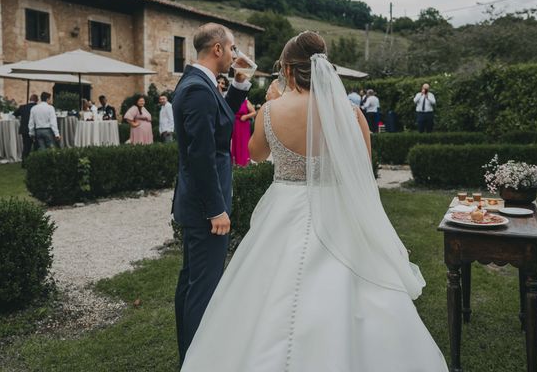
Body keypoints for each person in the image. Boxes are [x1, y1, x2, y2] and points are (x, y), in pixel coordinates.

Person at [180, 32, 447, 371]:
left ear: (288, 71)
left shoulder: (270, 109)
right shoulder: (351, 114)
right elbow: (363, 172)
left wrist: (272, 105)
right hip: (339, 211)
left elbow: (256, 154)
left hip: (284, 208)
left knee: (261, 294)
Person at [171, 23, 251, 364]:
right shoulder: (198, 90)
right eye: (232, 48)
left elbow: (220, 126)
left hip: (200, 204)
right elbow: (200, 156)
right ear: (217, 49)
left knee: (193, 281)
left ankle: (190, 356)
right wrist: (216, 209)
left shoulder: (200, 84)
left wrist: (240, 83)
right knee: (202, 287)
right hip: (206, 207)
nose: (235, 55)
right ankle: (197, 361)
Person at [13, 94, 38, 166]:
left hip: (24, 129)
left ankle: (24, 162)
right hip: (35, 128)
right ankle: (35, 162)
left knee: (26, 147)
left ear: (29, 99)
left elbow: (14, 114)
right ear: (37, 100)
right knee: (36, 146)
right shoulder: (37, 107)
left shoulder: (22, 107)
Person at [231, 99, 256, 166]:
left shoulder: (246, 101)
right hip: (235, 125)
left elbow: (254, 112)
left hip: (244, 124)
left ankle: (245, 164)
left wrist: (246, 116)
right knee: (236, 143)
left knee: (244, 143)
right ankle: (235, 164)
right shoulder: (233, 100)